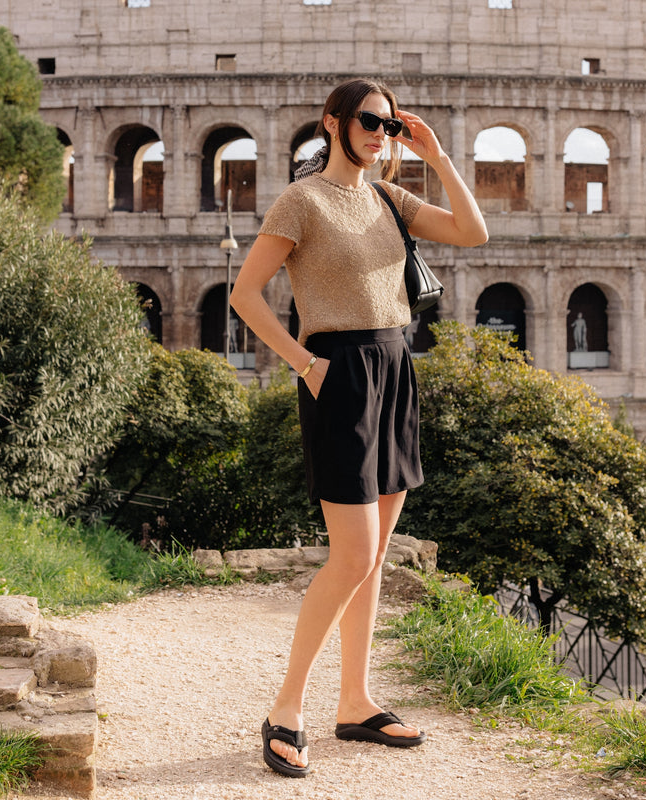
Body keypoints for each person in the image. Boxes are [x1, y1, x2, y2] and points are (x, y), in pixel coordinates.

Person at [229, 77, 487, 778]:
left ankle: (356, 701)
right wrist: (304, 363)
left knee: (374, 558)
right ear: (333, 123)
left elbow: (472, 231)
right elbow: (245, 294)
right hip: (338, 372)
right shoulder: (301, 199)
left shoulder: (387, 197)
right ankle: (286, 709)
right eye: (371, 121)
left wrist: (435, 154)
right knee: (350, 556)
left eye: (391, 125)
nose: (382, 134)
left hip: (397, 366)